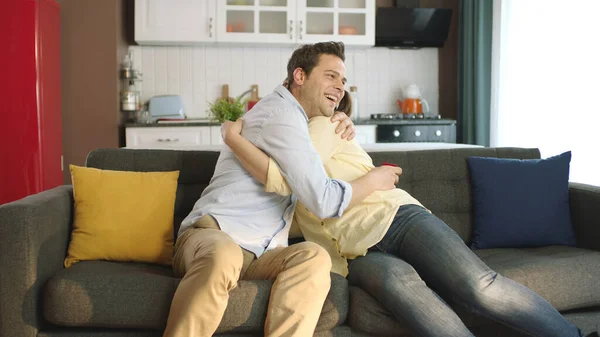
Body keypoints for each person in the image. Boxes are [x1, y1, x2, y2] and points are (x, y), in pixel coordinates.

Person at [222, 91, 598, 337]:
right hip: (356, 255)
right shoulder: (286, 147)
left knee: (478, 286)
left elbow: (285, 179)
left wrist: (234, 138)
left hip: (396, 219)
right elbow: (285, 187)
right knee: (410, 291)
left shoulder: (319, 128)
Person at [163, 41, 402, 337]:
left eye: (343, 80)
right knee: (224, 253)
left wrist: (337, 120)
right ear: (299, 76)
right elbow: (324, 200)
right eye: (330, 76)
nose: (340, 86)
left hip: (259, 252)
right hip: (210, 236)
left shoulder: (300, 122)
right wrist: (374, 181)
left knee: (313, 257)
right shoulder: (281, 115)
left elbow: (286, 180)